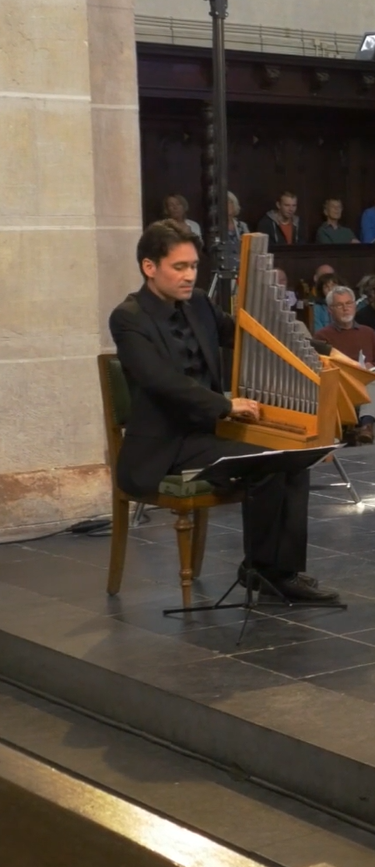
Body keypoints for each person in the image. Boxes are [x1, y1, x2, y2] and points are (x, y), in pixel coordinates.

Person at [109, 220, 336, 601]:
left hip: (211, 433)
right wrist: (226, 405)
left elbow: (245, 336)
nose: (189, 275)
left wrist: (318, 349)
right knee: (268, 461)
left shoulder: (197, 303)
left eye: (193, 266)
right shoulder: (128, 317)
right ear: (150, 267)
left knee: (295, 455)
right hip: (166, 444)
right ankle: (263, 570)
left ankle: (279, 570)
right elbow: (161, 381)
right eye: (179, 267)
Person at [315, 285, 375, 445]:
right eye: (339, 305)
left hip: (366, 386)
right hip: (340, 389)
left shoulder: (368, 332)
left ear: (355, 306)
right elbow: (318, 368)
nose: (345, 308)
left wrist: (370, 365)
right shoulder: (322, 336)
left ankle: (366, 427)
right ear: (330, 310)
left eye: (349, 303)